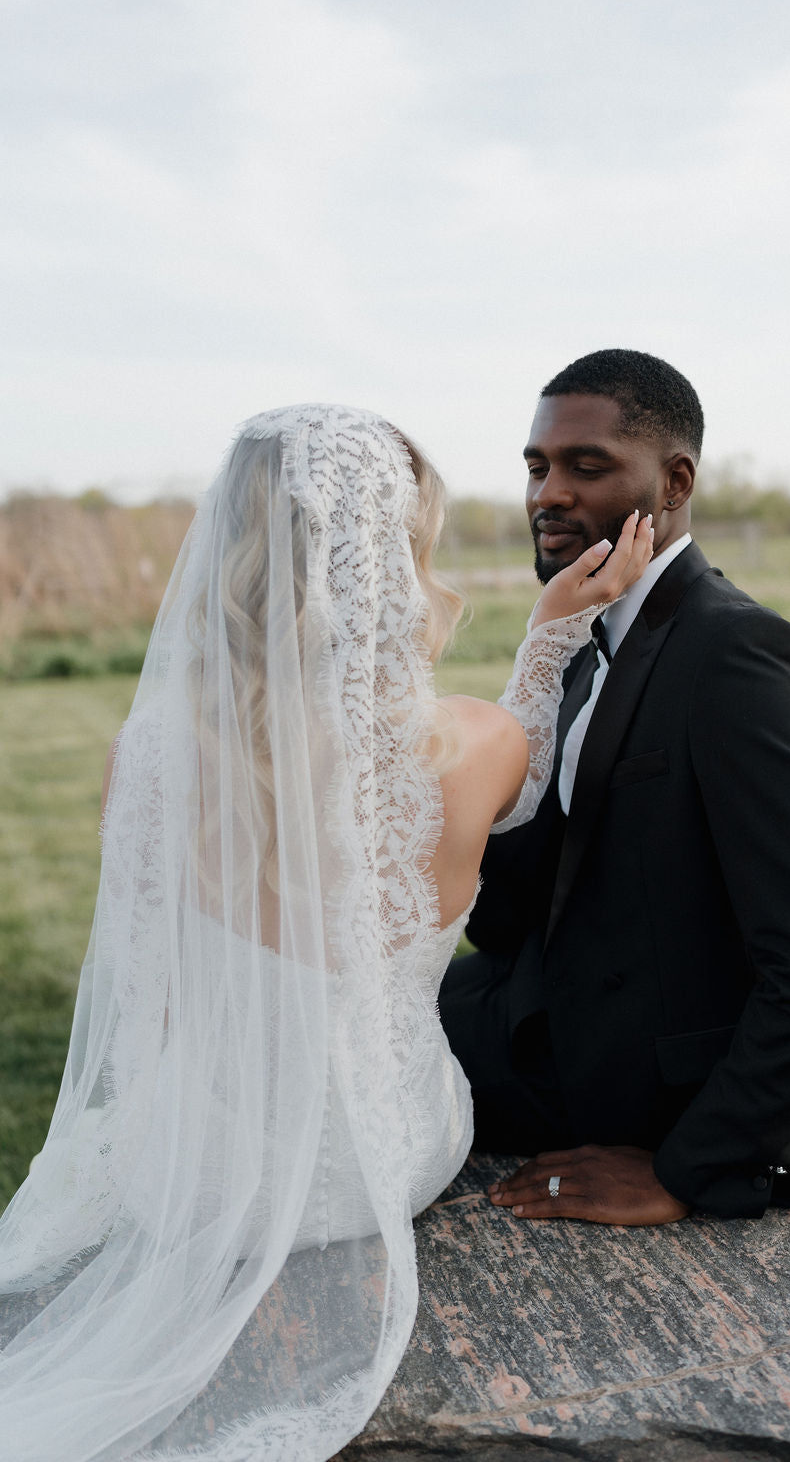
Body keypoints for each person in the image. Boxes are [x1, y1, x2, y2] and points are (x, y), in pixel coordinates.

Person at [0, 403, 653, 1461]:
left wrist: (151, 1142)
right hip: (385, 1157)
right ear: (397, 555)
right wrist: (552, 637)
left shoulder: (152, 754)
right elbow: (528, 773)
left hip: (198, 1173)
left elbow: (149, 1004)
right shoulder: (477, 747)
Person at [439, 349, 790, 1225]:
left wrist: (685, 1173)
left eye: (587, 465)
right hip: (537, 999)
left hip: (643, 1079)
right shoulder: (584, 633)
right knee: (330, 1029)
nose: (548, 494)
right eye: (537, 467)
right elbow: (510, 907)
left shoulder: (736, 654)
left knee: (333, 1076)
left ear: (675, 480)